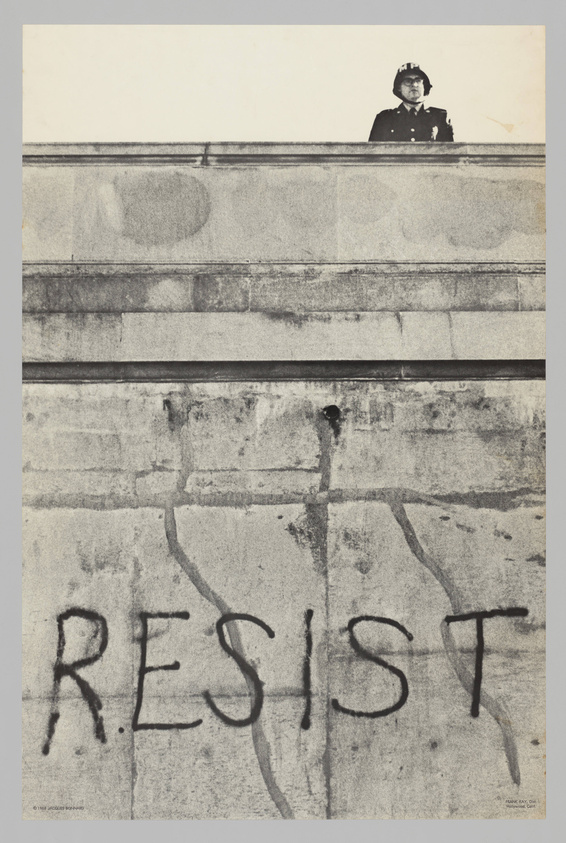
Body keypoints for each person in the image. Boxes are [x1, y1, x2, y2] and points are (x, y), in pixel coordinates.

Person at [368, 62, 454, 142]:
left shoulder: (440, 117)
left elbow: (451, 154)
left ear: (424, 86)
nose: (414, 85)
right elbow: (372, 154)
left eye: (418, 80)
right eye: (408, 81)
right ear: (399, 87)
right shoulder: (385, 119)